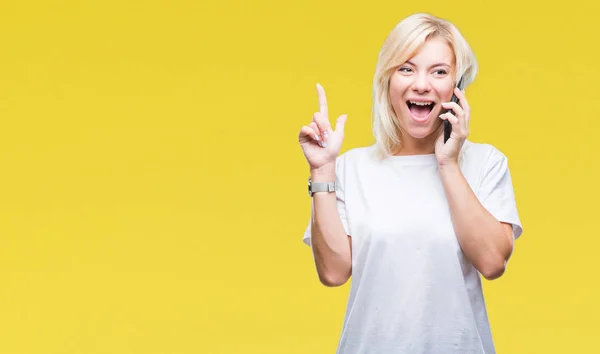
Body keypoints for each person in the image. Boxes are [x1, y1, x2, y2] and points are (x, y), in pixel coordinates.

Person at [297, 13, 524, 354]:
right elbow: (333, 272)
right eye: (406, 68)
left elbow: (493, 262)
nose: (421, 84)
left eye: (439, 71)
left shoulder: (486, 163)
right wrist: (323, 170)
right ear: (387, 81)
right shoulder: (351, 168)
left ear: (457, 87)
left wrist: (447, 162)